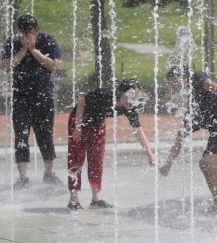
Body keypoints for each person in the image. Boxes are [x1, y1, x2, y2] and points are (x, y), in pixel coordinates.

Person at [159, 66, 217, 215]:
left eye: (172, 82)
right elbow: (179, 138)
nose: (172, 86)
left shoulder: (195, 78)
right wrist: (167, 165)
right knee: (205, 164)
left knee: (209, 162)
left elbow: (210, 84)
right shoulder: (194, 106)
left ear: (179, 78)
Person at [67, 79, 157, 211]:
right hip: (79, 121)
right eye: (130, 95)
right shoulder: (104, 94)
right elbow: (82, 102)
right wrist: (78, 127)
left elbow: (138, 130)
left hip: (97, 124)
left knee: (97, 159)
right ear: (119, 92)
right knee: (76, 158)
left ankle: (96, 198)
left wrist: (150, 155)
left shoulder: (129, 107)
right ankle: (73, 199)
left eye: (135, 96)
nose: (132, 99)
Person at [1, 14, 63, 190]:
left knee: (45, 134)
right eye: (25, 31)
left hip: (43, 95)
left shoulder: (48, 40)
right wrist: (23, 50)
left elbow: (53, 66)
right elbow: (7, 66)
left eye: (32, 31)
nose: (29, 34)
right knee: (21, 134)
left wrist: (34, 50)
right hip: (20, 96)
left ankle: (49, 173)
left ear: (38, 28)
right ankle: (23, 177)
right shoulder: (13, 42)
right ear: (20, 31)